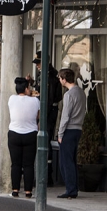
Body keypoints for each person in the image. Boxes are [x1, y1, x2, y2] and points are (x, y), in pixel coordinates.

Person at [31, 51, 62, 186]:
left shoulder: (50, 76)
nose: (37, 66)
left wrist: (42, 118)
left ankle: (46, 176)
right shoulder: (43, 74)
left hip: (48, 113)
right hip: (46, 111)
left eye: (38, 63)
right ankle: (43, 175)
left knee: (45, 142)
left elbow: (48, 99)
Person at [8, 77, 40, 198]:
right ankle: (28, 191)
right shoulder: (35, 101)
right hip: (30, 134)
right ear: (27, 88)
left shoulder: (11, 99)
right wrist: (32, 94)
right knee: (28, 164)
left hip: (14, 134)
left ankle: (15, 190)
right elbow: (37, 116)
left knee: (15, 164)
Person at [57, 68, 86, 199]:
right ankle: (74, 187)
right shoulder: (81, 92)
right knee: (73, 160)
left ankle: (70, 189)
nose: (59, 80)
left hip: (69, 130)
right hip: (78, 129)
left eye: (60, 78)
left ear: (64, 79)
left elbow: (65, 116)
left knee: (66, 162)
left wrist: (60, 133)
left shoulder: (68, 95)